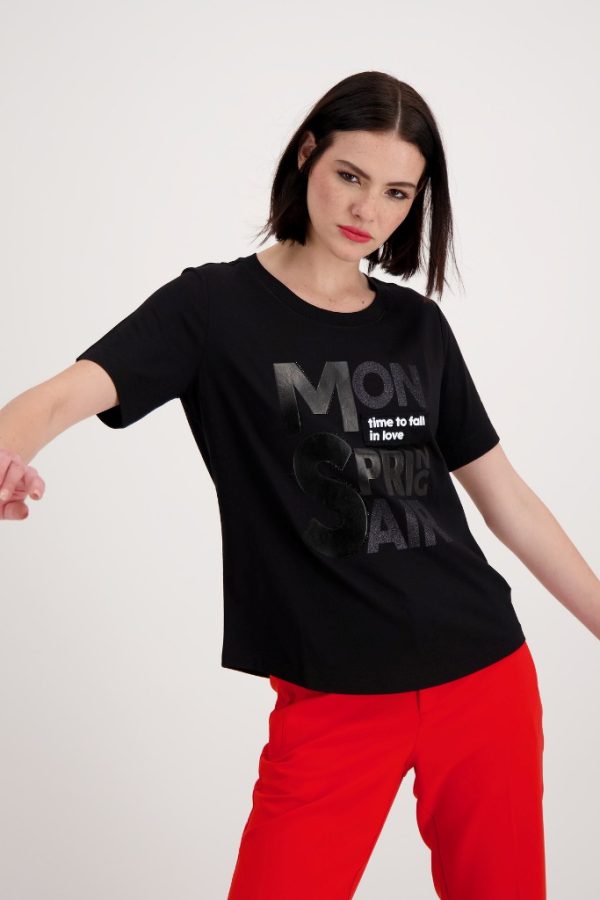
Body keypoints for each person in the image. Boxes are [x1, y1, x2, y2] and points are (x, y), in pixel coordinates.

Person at [1, 70, 599, 900]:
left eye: (397, 192)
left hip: (483, 677)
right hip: (332, 699)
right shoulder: (212, 307)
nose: (368, 210)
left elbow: (509, 502)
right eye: (351, 175)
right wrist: (7, 449)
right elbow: (63, 395)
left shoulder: (417, 326)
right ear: (307, 154)